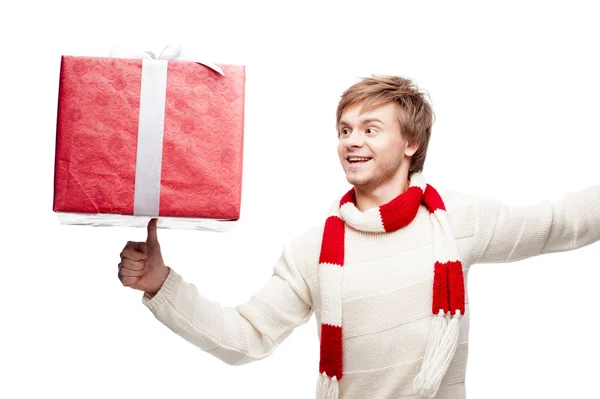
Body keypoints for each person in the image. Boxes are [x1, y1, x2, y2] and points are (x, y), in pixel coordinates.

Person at [118, 76, 600, 399]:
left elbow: (562, 223)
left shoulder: (457, 221)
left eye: (371, 129)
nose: (352, 141)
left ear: (411, 144)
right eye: (345, 129)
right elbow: (247, 338)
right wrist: (162, 284)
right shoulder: (311, 252)